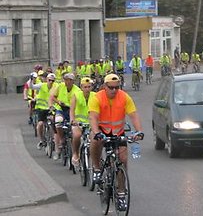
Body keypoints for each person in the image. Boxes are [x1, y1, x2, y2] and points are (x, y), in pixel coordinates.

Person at [89, 74, 144, 210]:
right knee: (94, 142)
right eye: (111, 88)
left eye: (117, 87)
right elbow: (93, 117)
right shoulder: (97, 97)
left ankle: (120, 193)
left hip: (118, 132)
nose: (114, 90)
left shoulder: (124, 97)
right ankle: (96, 167)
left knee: (123, 160)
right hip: (101, 130)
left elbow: (133, 115)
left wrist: (139, 131)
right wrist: (96, 132)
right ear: (104, 86)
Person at [48, 73, 81, 160]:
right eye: (65, 80)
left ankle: (75, 150)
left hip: (71, 110)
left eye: (69, 80)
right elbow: (53, 96)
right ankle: (62, 139)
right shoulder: (60, 86)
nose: (67, 82)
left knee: (74, 127)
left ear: (73, 81)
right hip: (61, 109)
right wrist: (58, 101)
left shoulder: (77, 90)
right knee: (58, 121)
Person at [70, 77, 95, 168]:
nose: (87, 89)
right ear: (81, 87)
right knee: (77, 135)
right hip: (78, 122)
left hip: (91, 123)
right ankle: (75, 153)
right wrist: (73, 120)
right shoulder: (76, 95)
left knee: (95, 139)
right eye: (85, 87)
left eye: (89, 87)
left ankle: (96, 160)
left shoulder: (95, 96)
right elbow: (72, 110)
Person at [29, 73, 56, 149]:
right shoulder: (42, 85)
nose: (51, 82)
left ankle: (53, 139)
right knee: (40, 124)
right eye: (49, 80)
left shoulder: (56, 87)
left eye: (53, 81)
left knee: (54, 121)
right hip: (41, 109)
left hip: (51, 108)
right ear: (47, 80)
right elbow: (32, 86)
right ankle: (42, 140)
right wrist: (31, 80)